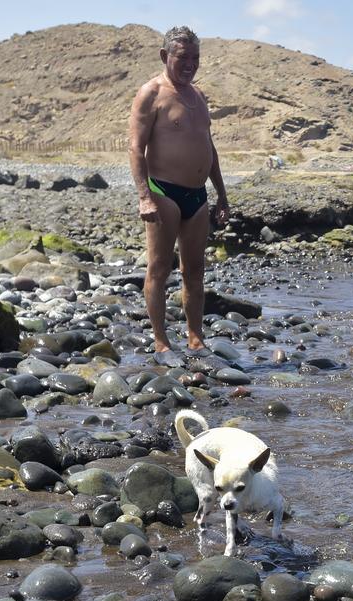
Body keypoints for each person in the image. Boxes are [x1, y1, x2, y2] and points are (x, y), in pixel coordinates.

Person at [128, 25, 229, 363]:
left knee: (195, 271)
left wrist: (222, 195)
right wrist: (144, 195)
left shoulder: (198, 96)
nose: (190, 65)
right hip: (163, 191)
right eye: (183, 58)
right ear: (164, 56)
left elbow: (208, 147)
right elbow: (134, 147)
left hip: (198, 196)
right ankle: (160, 343)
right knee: (158, 268)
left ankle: (195, 339)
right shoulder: (151, 93)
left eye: (195, 58)